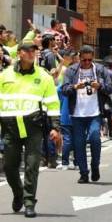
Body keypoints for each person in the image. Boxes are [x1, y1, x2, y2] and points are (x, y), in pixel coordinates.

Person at [0, 40, 61, 218]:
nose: (30, 53)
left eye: (33, 50)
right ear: (19, 53)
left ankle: (28, 201)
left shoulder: (44, 77)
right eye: (27, 50)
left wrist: (55, 127)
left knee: (32, 165)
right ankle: (18, 193)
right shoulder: (5, 75)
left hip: (33, 126)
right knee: (10, 166)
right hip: (10, 126)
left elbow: (53, 103)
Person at [61, 45, 112, 184]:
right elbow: (64, 89)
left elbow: (110, 88)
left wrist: (100, 86)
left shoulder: (100, 70)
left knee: (95, 138)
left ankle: (95, 166)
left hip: (95, 112)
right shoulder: (71, 70)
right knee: (79, 143)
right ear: (79, 58)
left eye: (90, 60)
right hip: (77, 113)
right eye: (84, 60)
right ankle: (84, 173)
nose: (87, 63)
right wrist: (74, 87)